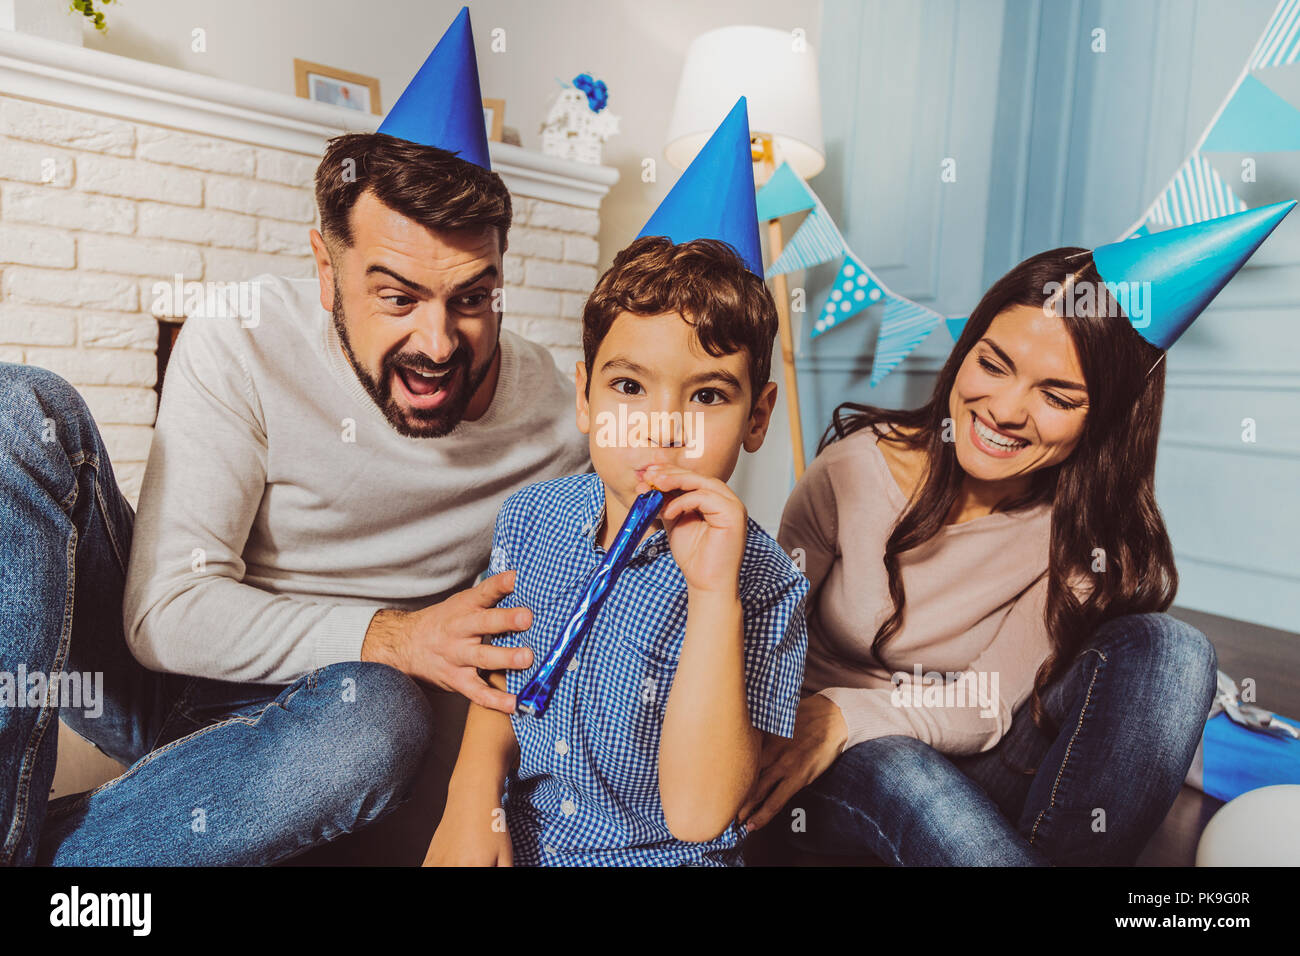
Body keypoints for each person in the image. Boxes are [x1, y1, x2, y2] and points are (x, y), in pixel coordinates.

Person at [0, 7, 587, 866]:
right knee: (22, 410)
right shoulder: (241, 339)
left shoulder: (556, 420)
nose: (437, 342)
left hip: (329, 716)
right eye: (396, 297)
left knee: (379, 719)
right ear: (325, 269)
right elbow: (164, 616)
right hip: (164, 677)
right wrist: (393, 633)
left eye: (471, 297)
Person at [741, 199, 1294, 865]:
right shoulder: (854, 472)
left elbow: (985, 708)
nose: (1004, 410)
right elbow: (762, 647)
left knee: (1176, 650)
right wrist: (833, 718)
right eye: (993, 363)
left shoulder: (1083, 533)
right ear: (965, 349)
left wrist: (855, 713)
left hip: (974, 740)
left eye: (1058, 397)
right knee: (905, 772)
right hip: (828, 750)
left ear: (1104, 419)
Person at [425, 101, 809, 866]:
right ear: (584, 397)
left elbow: (701, 815)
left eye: (707, 396)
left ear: (757, 416)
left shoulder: (764, 586)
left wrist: (711, 598)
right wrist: (472, 795)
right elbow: (501, 686)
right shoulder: (530, 519)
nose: (661, 429)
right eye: (630, 387)